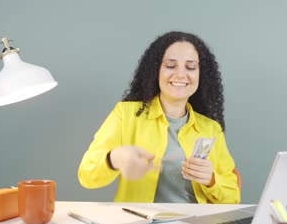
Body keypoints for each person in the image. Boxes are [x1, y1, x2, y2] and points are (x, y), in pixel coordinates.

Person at [78, 31, 240, 204]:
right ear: (156, 71)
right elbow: (86, 175)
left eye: (190, 67)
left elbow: (233, 198)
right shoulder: (125, 114)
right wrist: (115, 158)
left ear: (201, 75)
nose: (180, 74)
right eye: (170, 65)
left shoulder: (210, 128)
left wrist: (211, 180)